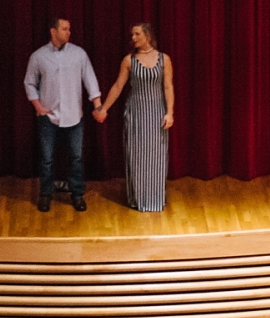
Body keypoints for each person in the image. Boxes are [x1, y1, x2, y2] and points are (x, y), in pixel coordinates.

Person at [24, 17, 102, 212]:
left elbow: (90, 80)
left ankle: (77, 194)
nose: (69, 32)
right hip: (48, 117)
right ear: (53, 31)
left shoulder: (78, 54)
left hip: (74, 116)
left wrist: (98, 106)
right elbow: (29, 82)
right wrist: (38, 106)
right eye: (65, 29)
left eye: (69, 29)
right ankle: (45, 193)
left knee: (76, 157)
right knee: (47, 158)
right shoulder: (39, 56)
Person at [94, 22, 174, 212]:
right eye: (132, 35)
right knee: (137, 156)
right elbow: (118, 86)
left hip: (156, 113)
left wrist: (170, 112)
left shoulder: (164, 59)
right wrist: (103, 109)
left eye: (137, 34)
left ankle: (155, 199)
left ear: (147, 35)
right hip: (137, 113)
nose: (133, 38)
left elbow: (168, 86)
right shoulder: (129, 60)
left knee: (156, 156)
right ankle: (138, 199)